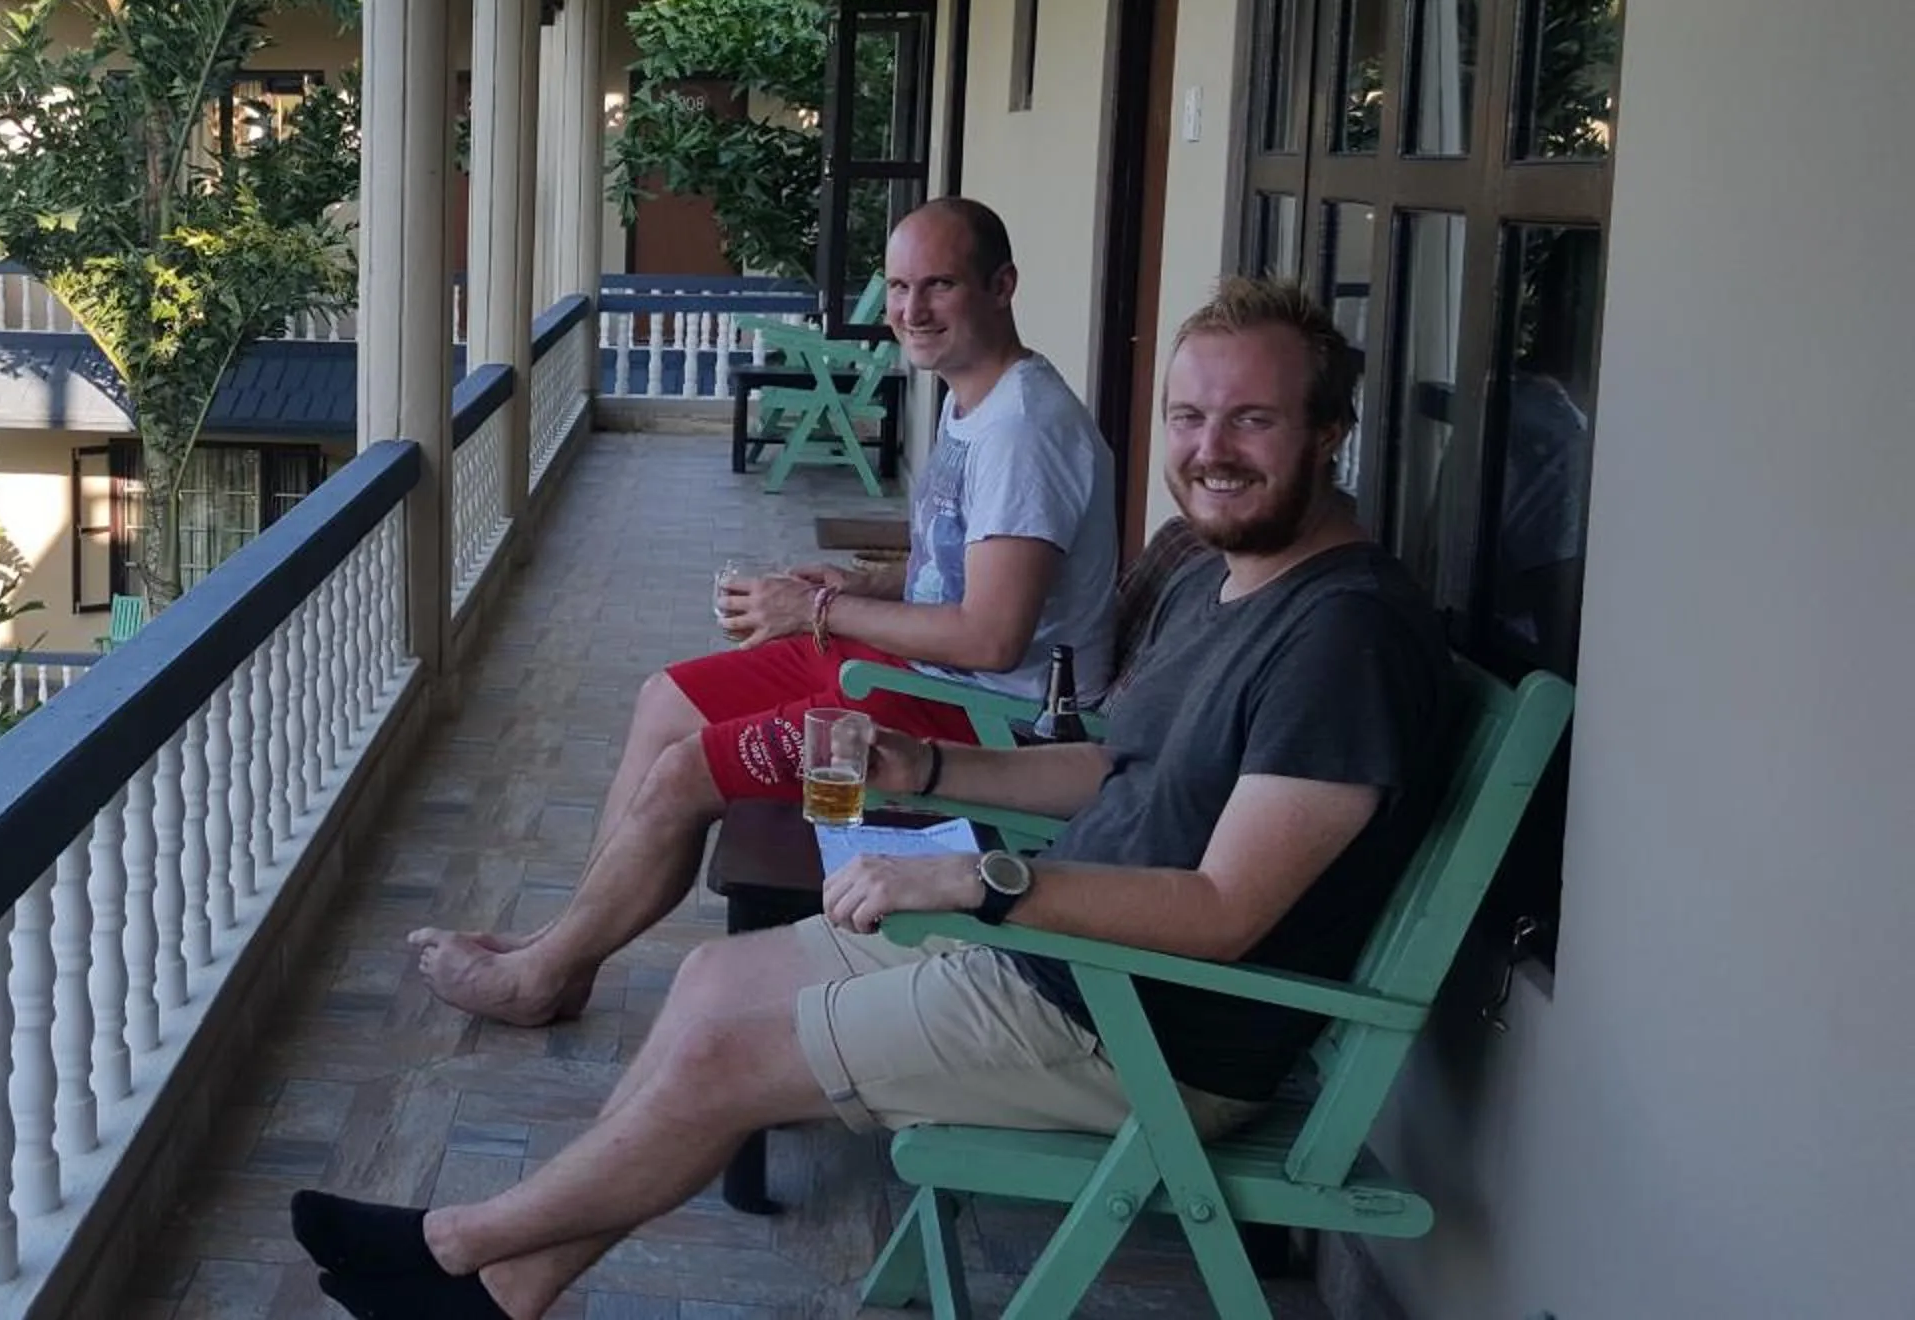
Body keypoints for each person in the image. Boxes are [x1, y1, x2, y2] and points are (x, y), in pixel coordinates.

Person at [295, 278, 1451, 1320]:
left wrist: (986, 878)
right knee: (710, 979)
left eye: (1253, 419)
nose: (1212, 450)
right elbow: (1119, 770)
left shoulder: (1341, 637)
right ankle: (512, 1291)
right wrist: (929, 769)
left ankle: (454, 1247)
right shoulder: (1225, 573)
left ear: (1329, 435)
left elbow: (1221, 907)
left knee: (720, 1064)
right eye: (1191, 418)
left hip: (1145, 1030)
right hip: (1062, 958)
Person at [408, 197, 1118, 1026]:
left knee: (687, 772)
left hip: (982, 718)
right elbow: (958, 576)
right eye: (897, 287)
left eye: (939, 285)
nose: (911, 311)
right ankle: (565, 948)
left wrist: (820, 609)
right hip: (924, 671)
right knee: (665, 700)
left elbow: (992, 639)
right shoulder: (976, 402)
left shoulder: (1024, 433)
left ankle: (543, 978)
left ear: (1002, 287)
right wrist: (856, 584)